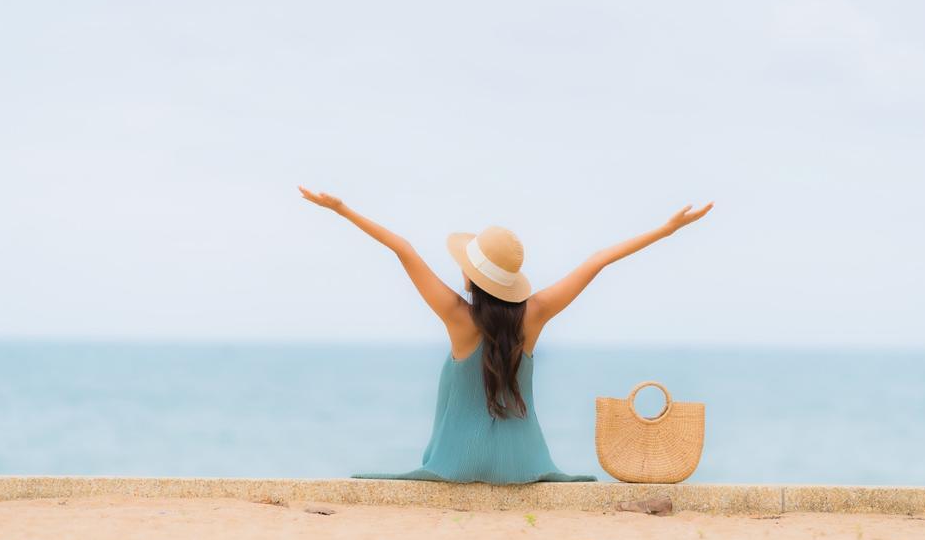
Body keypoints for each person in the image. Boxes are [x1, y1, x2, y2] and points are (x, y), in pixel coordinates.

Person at [298, 185, 714, 484]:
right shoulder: (534, 315)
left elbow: (403, 249)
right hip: (523, 466)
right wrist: (666, 230)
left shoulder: (457, 317)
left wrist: (342, 209)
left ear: (471, 276)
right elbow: (598, 261)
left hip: (455, 464)